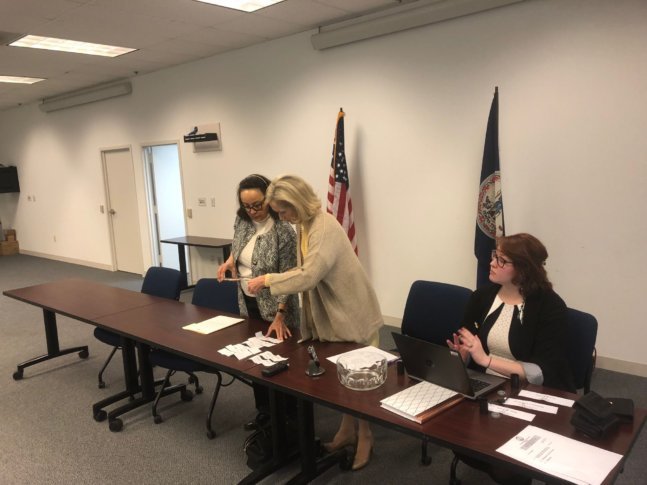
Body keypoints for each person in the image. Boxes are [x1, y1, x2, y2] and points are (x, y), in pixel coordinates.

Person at [247, 174, 383, 471]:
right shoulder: (305, 225)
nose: (282, 217)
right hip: (333, 314)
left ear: (297, 202)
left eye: (284, 210)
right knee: (342, 378)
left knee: (357, 381)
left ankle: (365, 435)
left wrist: (268, 280)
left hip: (352, 313)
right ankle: (346, 431)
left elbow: (309, 275)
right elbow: (303, 271)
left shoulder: (325, 226)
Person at [447, 233, 574, 484]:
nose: (491, 263)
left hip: (531, 392)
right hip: (488, 387)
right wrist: (462, 356)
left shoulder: (549, 307)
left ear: (523, 269)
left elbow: (541, 371)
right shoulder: (482, 296)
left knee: (507, 465)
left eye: (501, 260)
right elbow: (467, 340)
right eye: (494, 256)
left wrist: (486, 360)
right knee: (454, 433)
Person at [217, 174, 299, 429]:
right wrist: (230, 261)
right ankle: (264, 411)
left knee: (280, 360)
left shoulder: (283, 230)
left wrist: (280, 315)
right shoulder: (242, 221)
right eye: (247, 206)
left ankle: (289, 416)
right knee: (255, 357)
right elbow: (238, 247)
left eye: (257, 205)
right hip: (247, 301)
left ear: (269, 199)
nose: (252, 211)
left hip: (277, 306)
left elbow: (290, 275)